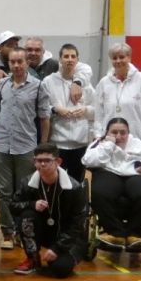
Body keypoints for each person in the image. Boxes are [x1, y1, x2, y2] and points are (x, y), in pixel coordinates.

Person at [0, 48, 52, 250]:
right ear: (8, 63)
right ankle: (8, 232)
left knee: (23, 191)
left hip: (26, 146)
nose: (16, 65)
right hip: (0, 145)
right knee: (4, 192)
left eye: (20, 61)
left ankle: (22, 229)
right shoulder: (3, 84)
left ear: (27, 63)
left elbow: (44, 117)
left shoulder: (38, 86)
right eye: (12, 62)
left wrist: (43, 145)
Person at [82, 117, 141, 252]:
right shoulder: (99, 144)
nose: (119, 136)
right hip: (108, 172)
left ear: (128, 133)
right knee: (100, 192)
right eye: (114, 132)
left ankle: (135, 234)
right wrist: (109, 145)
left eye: (123, 132)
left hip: (135, 174)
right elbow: (88, 161)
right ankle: (115, 233)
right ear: (107, 132)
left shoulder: (140, 145)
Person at [10, 144, 88, 278]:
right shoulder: (27, 183)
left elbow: (77, 224)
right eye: (39, 160)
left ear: (58, 162)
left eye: (47, 160)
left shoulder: (74, 187)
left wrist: (57, 248)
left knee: (60, 268)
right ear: (34, 162)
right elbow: (13, 206)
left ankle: (61, 255)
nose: (42, 164)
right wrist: (32, 204)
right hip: (44, 232)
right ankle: (33, 258)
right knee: (27, 215)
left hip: (68, 237)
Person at [41, 44, 96, 184]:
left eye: (73, 56)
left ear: (78, 60)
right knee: (56, 181)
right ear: (60, 59)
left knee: (76, 183)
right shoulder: (48, 81)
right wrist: (55, 109)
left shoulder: (86, 84)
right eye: (66, 56)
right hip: (58, 143)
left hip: (80, 144)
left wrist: (86, 110)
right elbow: (42, 107)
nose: (70, 59)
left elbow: (97, 110)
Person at [94, 42, 141, 143]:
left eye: (121, 57)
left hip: (137, 139)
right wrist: (98, 135)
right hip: (110, 140)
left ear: (129, 58)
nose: (118, 61)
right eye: (114, 58)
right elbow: (99, 113)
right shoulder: (104, 83)